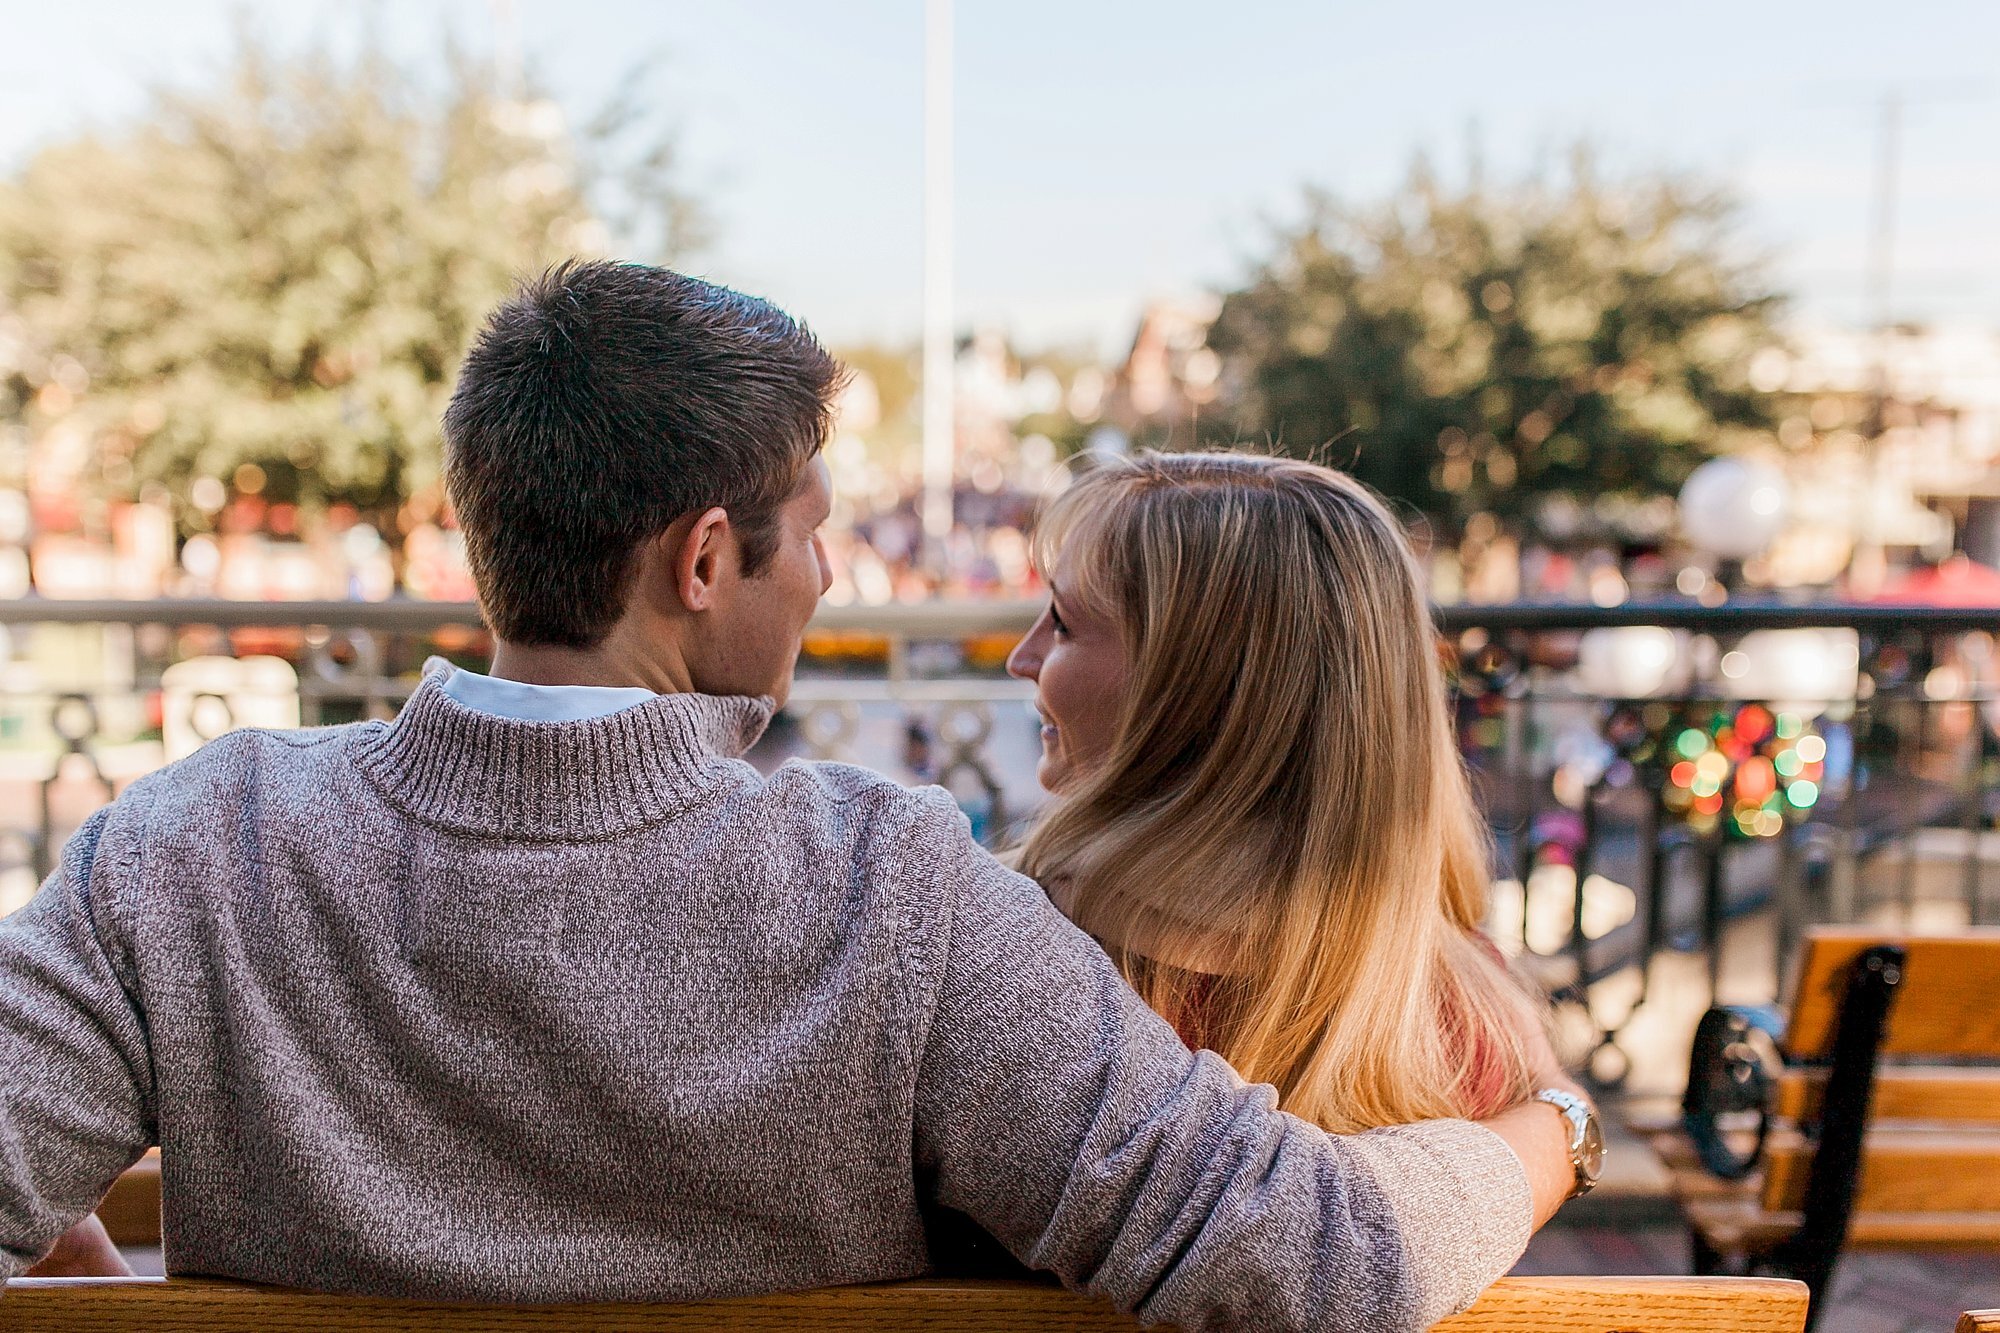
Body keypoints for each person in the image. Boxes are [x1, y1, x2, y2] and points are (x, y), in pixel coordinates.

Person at [1, 261, 1580, 1331]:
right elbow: (1317, 1259)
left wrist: (87, 1281)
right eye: (814, 531)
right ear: (702, 561)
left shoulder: (190, 847)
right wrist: (1556, 1121)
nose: (833, 574)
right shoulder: (892, 893)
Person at [1004, 450, 1568, 1135]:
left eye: (1062, 623)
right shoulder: (1469, 1017)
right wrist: (1564, 1119)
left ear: (1198, 687)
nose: (1021, 657)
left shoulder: (1017, 961)